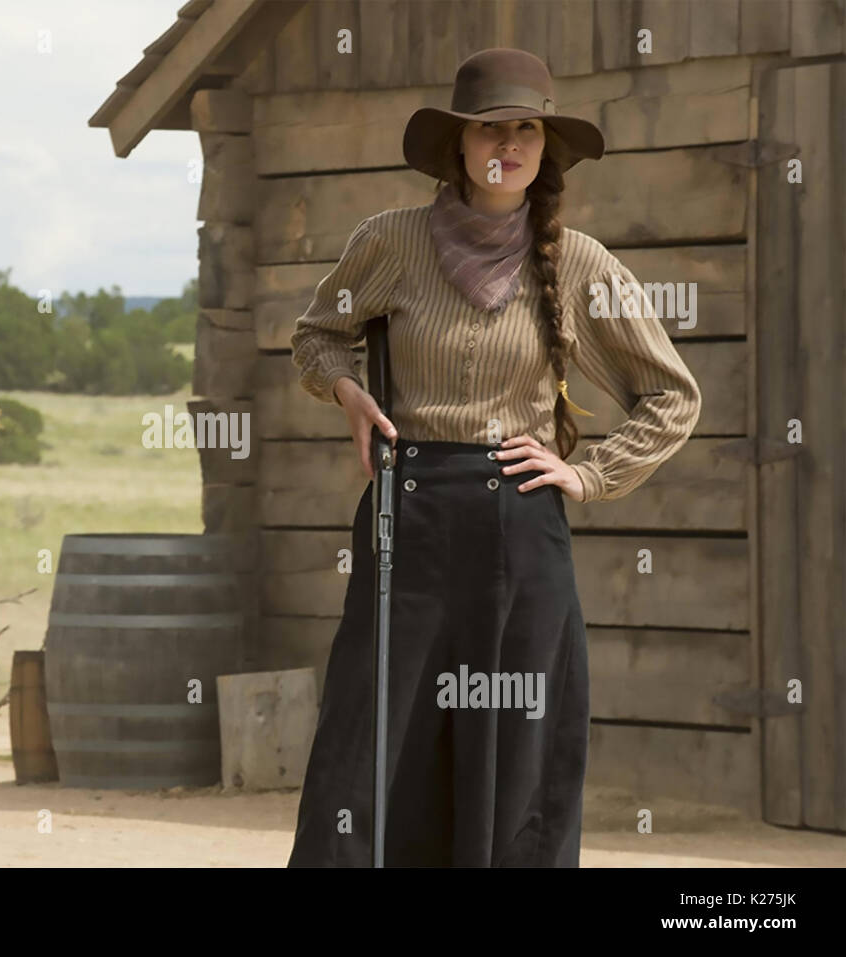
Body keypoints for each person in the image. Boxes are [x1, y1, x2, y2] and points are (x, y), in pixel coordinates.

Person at [286, 48, 702, 867]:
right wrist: (348, 396)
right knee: (370, 737)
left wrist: (587, 474)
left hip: (521, 525)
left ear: (546, 146)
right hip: (408, 522)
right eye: (487, 130)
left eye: (524, 129)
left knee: (517, 744)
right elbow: (315, 335)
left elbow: (673, 395)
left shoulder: (579, 261)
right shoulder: (389, 241)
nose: (505, 145)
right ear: (459, 145)